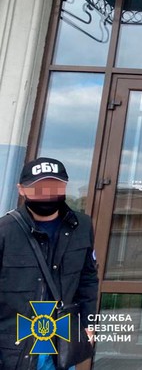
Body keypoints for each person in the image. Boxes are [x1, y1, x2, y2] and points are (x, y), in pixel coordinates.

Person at [0, 157, 98, 370]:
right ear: (21, 189)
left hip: (61, 341)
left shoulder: (82, 226)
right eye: (38, 188)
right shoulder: (5, 230)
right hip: (13, 345)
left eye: (54, 186)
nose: (46, 194)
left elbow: (88, 280)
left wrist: (88, 325)